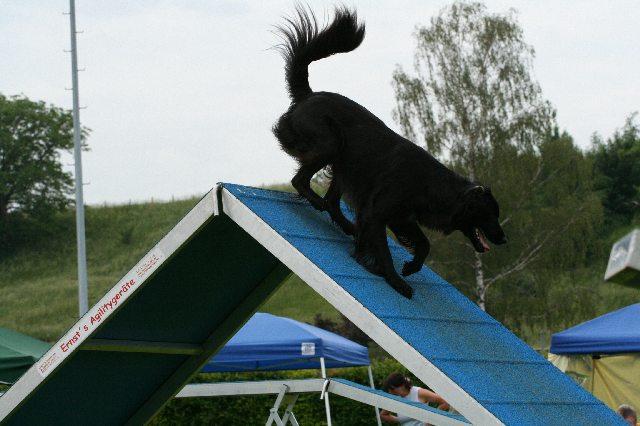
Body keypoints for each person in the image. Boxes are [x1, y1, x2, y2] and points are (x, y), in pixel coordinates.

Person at [380, 372, 450, 425]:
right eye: (390, 390)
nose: (390, 392)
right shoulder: (395, 397)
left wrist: (431, 421)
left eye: (392, 389)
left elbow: (445, 403)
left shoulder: (420, 393)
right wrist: (400, 419)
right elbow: (383, 415)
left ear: (401, 386)